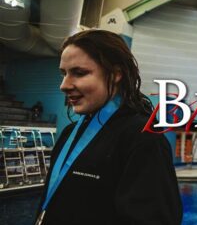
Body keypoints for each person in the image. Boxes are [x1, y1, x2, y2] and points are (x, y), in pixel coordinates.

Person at [36, 30, 182, 225]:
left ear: (115, 75)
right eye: (64, 73)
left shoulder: (143, 138)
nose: (64, 85)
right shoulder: (70, 133)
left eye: (79, 73)